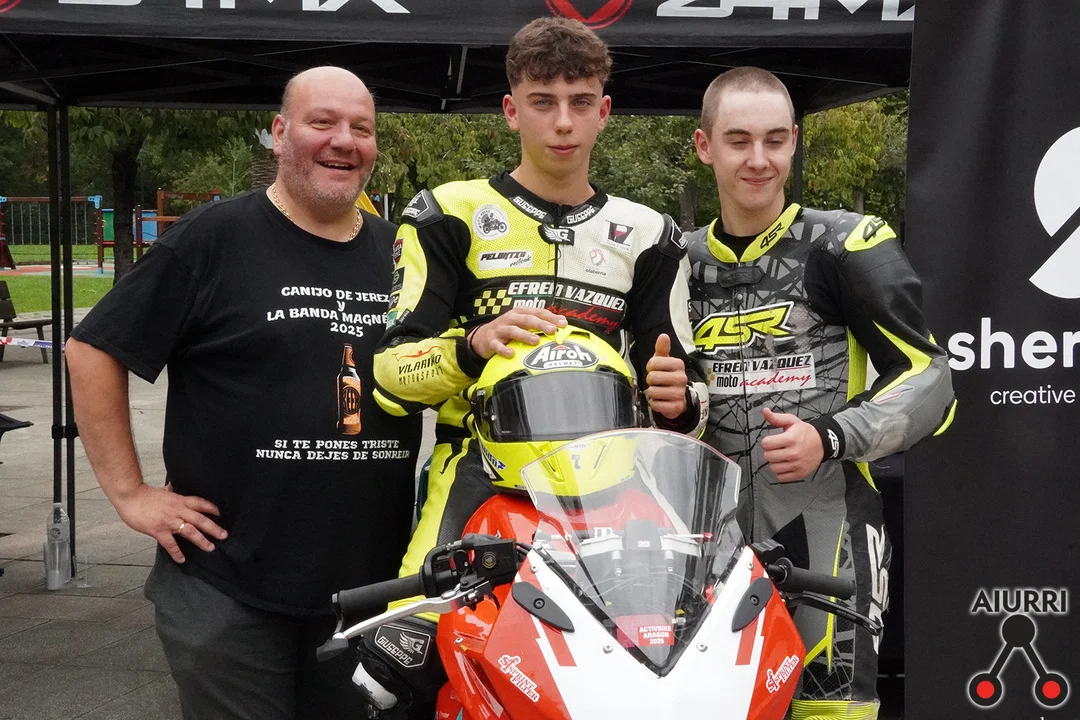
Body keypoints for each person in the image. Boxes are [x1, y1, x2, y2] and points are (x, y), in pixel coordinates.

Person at [363, 16, 707, 714]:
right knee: (404, 667)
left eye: (581, 102)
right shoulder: (447, 214)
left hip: (614, 494)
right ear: (510, 110)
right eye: (543, 102)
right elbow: (390, 376)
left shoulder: (650, 235)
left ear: (604, 112)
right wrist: (472, 345)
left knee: (652, 670)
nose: (564, 122)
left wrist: (681, 401)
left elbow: (684, 394)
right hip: (475, 478)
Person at [64, 66, 422, 720]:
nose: (344, 141)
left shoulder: (403, 254)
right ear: (280, 134)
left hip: (376, 591)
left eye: (361, 128)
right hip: (229, 590)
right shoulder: (216, 236)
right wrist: (130, 494)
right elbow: (92, 350)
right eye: (322, 122)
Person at [686, 67, 955, 720]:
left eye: (775, 140)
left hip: (826, 534)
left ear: (795, 141)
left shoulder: (846, 244)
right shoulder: (674, 259)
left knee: (830, 712)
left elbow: (931, 380)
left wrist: (830, 436)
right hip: (700, 547)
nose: (759, 159)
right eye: (739, 140)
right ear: (704, 146)